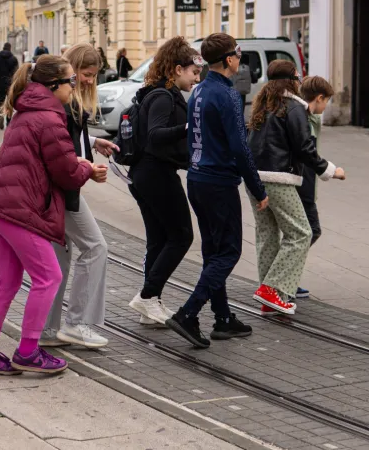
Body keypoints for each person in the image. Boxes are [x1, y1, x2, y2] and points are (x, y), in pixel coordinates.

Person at [0, 55, 105, 376]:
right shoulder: (50, 119)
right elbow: (67, 174)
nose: (74, 88)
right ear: (53, 85)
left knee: (6, 283)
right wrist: (86, 169)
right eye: (71, 82)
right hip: (20, 209)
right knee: (49, 277)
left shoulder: (26, 111)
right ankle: (29, 351)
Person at [165, 33, 268, 349]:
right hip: (219, 182)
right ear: (228, 60)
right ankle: (189, 312)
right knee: (229, 251)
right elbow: (240, 147)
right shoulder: (228, 95)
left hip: (197, 178)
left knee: (214, 250)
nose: (240, 59)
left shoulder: (199, 91)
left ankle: (223, 318)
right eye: (238, 54)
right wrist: (257, 188)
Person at [246, 61, 344, 315]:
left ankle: (270, 298)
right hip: (279, 178)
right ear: (294, 81)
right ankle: (271, 289)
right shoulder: (294, 107)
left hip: (254, 177)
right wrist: (330, 170)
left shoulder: (263, 104)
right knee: (301, 233)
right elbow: (304, 148)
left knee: (267, 235)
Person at [41, 44, 116, 349]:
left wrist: (94, 141)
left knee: (58, 261)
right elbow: (63, 154)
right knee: (96, 247)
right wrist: (87, 169)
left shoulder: (64, 103)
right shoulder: (65, 105)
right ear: (71, 71)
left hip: (52, 192)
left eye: (93, 76)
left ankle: (47, 330)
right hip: (63, 192)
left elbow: (70, 141)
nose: (88, 81)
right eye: (85, 75)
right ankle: (78, 323)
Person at [127, 37, 203, 326]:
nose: (196, 79)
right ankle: (147, 296)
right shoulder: (162, 96)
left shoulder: (159, 93)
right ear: (176, 69)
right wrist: (189, 126)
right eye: (193, 73)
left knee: (159, 240)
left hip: (146, 174)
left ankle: (151, 303)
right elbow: (155, 135)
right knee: (182, 236)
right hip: (156, 173)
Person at [293, 76, 336, 301]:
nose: (326, 106)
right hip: (302, 184)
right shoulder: (304, 117)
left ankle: (286, 280)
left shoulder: (307, 115)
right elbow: (308, 153)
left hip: (303, 183)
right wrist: (330, 170)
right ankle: (284, 280)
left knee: (299, 233)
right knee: (309, 231)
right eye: (326, 100)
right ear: (319, 98)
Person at [0, 42, 19, 130]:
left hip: (0, 83)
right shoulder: (14, 59)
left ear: (3, 48)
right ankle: (9, 121)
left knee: (0, 101)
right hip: (10, 84)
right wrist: (14, 83)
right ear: (10, 48)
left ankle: (1, 116)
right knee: (10, 102)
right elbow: (17, 73)